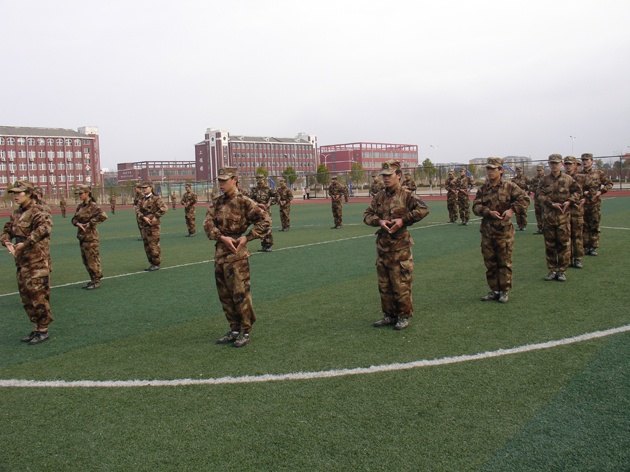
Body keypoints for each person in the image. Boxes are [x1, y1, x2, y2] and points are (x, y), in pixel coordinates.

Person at [203, 166, 271, 347]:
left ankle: (245, 331)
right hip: (220, 254)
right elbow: (207, 223)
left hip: (237, 255)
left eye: (224, 180)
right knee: (225, 295)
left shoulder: (244, 201)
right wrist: (221, 237)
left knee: (240, 294)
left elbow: (265, 220)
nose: (221, 184)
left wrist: (247, 237)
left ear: (234, 179)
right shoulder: (217, 202)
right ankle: (234, 329)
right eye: (219, 180)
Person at [364, 160, 430, 330]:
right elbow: (367, 215)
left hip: (400, 248)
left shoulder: (407, 195)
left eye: (389, 175)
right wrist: (379, 221)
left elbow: (424, 209)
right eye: (383, 175)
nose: (385, 178)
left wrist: (403, 220)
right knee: (384, 285)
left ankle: (403, 316)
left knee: (401, 284)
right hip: (383, 247)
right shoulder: (379, 196)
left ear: (398, 175)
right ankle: (389, 315)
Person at [1, 180, 54, 345]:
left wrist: (25, 243)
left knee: (38, 297)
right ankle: (36, 328)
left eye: (19, 193)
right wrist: (6, 241)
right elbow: (7, 230)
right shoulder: (17, 213)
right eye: (14, 193)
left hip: (36, 262)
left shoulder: (38, 211)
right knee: (26, 298)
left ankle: (43, 330)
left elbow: (44, 228)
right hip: (22, 263)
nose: (15, 196)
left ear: (29, 193)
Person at [472, 158, 529, 303]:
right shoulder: (483, 189)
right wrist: (487, 212)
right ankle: (494, 290)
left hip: (503, 232)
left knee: (504, 262)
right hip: (487, 232)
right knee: (490, 263)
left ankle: (504, 291)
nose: (490, 171)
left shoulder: (510, 187)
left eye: (493, 168)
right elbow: (475, 207)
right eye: (488, 168)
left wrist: (512, 210)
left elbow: (525, 199)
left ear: (501, 170)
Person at [539, 154, 581, 282]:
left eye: (556, 163)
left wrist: (570, 201)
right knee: (550, 246)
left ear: (561, 164)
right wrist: (551, 204)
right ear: (549, 164)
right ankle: (552, 270)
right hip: (549, 218)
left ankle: (562, 271)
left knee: (564, 245)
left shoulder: (568, 179)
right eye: (552, 163)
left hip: (563, 218)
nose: (554, 165)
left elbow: (577, 192)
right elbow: (539, 195)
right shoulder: (544, 180)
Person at [563, 156, 598, 269]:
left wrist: (586, 198)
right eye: (566, 164)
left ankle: (577, 259)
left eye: (570, 164)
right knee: (565, 237)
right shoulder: (561, 178)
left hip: (576, 211)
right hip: (564, 212)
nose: (568, 166)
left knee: (577, 236)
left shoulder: (582, 178)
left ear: (575, 165)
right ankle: (567, 259)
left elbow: (594, 187)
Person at [72, 185, 108, 289]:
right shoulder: (80, 206)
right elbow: (74, 219)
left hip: (91, 237)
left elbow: (103, 216)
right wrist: (77, 223)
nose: (79, 195)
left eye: (81, 193)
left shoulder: (93, 206)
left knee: (92, 259)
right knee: (86, 260)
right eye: (79, 194)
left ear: (87, 193)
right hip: (82, 237)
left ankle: (96, 281)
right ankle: (92, 279)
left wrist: (91, 222)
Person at [580, 152, 613, 256]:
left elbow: (609, 183)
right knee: (584, 226)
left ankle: (593, 247)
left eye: (587, 160)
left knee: (594, 226)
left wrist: (601, 192)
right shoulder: (579, 175)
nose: (585, 162)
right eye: (583, 160)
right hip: (583, 205)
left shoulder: (598, 173)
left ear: (592, 161)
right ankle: (586, 247)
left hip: (594, 204)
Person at [137, 181, 168, 271]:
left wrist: (156, 216)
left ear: (151, 187)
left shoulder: (155, 199)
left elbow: (164, 208)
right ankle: (151, 262)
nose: (144, 189)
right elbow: (137, 210)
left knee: (153, 244)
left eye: (146, 187)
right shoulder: (142, 199)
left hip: (153, 225)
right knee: (147, 245)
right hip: (145, 224)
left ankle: (156, 263)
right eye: (143, 188)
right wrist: (143, 217)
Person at [249, 174, 277, 252]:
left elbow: (277, 196)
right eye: (258, 182)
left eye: (261, 182)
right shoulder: (254, 190)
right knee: (260, 227)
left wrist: (270, 203)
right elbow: (250, 200)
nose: (260, 184)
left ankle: (269, 244)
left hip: (266, 211)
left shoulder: (268, 189)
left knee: (267, 227)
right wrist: (258, 204)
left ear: (264, 181)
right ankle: (263, 245)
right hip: (258, 211)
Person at [510, 165, 530, 231]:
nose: (519, 172)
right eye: (518, 171)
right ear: (516, 171)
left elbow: (529, 185)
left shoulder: (525, 178)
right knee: (517, 212)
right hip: (516, 197)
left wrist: (527, 193)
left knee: (523, 212)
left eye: (520, 171)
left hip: (523, 197)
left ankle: (524, 225)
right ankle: (519, 225)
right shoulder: (513, 180)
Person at [528, 165, 546, 234]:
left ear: (543, 170)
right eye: (538, 170)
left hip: (545, 200)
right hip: (537, 199)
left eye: (540, 170)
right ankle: (540, 228)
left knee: (545, 214)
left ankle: (546, 228)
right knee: (538, 214)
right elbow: (530, 187)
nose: (539, 172)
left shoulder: (546, 178)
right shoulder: (534, 179)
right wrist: (536, 189)